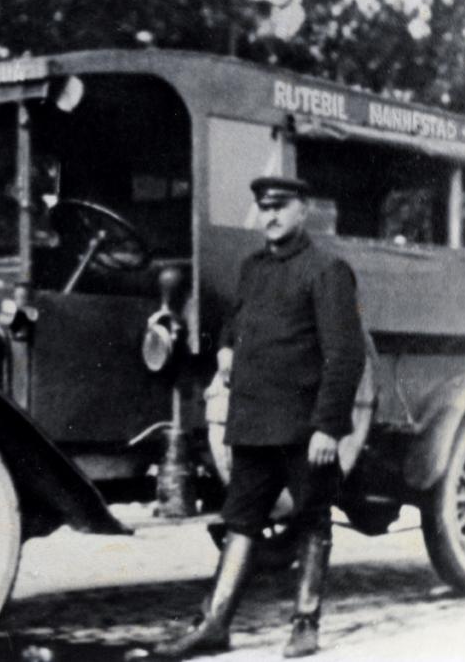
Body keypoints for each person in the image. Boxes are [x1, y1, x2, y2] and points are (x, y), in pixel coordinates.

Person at [155, 175, 366, 659]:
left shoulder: (327, 269)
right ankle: (214, 624)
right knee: (241, 521)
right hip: (252, 425)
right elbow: (236, 320)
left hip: (303, 429)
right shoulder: (252, 268)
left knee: (312, 520)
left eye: (280, 207)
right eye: (263, 208)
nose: (270, 216)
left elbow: (346, 355)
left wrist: (328, 427)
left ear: (303, 210)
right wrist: (227, 347)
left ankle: (305, 624)